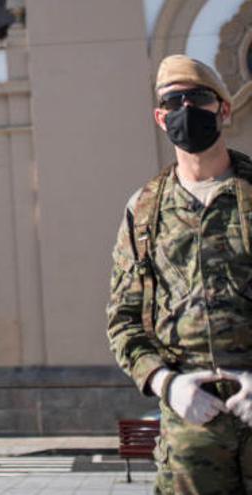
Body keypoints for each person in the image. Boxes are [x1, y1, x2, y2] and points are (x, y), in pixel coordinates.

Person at [107, 55, 252, 493]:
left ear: (223, 110)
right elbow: (123, 320)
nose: (186, 110)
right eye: (173, 101)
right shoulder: (145, 211)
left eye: (199, 98)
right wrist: (167, 385)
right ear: (160, 117)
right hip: (190, 437)